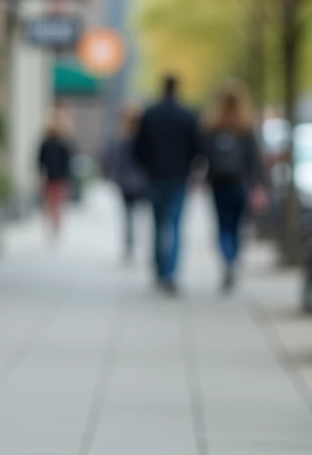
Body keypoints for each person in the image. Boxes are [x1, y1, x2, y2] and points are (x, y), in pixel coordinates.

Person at [133, 74, 203, 293]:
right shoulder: (187, 115)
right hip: (178, 177)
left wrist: (148, 168)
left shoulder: (150, 114)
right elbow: (197, 148)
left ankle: (159, 269)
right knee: (174, 224)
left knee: (158, 222)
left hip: (155, 177)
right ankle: (170, 272)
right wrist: (189, 168)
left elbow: (138, 148)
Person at [203, 81, 265, 292]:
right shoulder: (245, 127)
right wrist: (260, 184)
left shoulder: (213, 126)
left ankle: (227, 257)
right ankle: (233, 258)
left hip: (219, 184)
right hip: (240, 183)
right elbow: (255, 159)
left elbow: (204, 155)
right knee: (238, 225)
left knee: (223, 225)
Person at [101, 104, 150, 262]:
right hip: (142, 182)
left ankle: (130, 245)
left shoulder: (120, 137)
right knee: (144, 215)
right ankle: (142, 246)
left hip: (125, 182)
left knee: (128, 215)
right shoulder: (144, 138)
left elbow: (110, 159)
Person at [37, 111, 74, 238]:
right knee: (57, 203)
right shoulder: (62, 144)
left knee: (50, 203)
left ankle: (53, 225)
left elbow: (40, 161)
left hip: (51, 177)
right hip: (59, 178)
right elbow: (67, 162)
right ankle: (55, 225)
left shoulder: (47, 143)